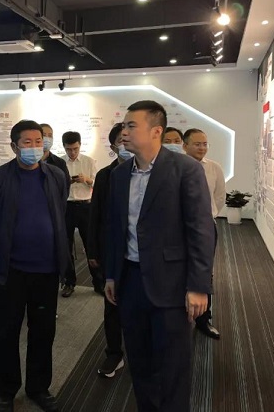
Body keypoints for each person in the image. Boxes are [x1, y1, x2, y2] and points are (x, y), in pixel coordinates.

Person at [105, 100, 215, 412]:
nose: (124, 132)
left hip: (172, 283)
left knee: (172, 365)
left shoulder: (185, 170)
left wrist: (199, 286)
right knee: (140, 361)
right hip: (130, 280)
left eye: (131, 126)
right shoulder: (120, 174)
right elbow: (115, 228)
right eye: (124, 126)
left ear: (156, 131)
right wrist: (112, 274)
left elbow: (201, 230)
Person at [0, 120, 71, 412]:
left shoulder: (56, 175)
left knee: (43, 331)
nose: (34, 147)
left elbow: (60, 210)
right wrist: (4, 243)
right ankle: (5, 390)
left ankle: (38, 387)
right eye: (27, 142)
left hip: (46, 270)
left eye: (38, 141)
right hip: (11, 271)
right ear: (14, 146)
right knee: (6, 332)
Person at [87, 123, 125, 378]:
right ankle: (114, 352)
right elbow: (96, 214)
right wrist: (93, 251)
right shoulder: (105, 175)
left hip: (144, 255)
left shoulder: (155, 172)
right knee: (112, 304)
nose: (128, 142)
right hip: (112, 251)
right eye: (122, 139)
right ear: (113, 146)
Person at [183, 128, 225, 340]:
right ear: (185, 146)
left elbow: (219, 197)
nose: (202, 148)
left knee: (204, 271)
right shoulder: (177, 167)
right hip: (179, 228)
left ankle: (203, 319)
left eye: (205, 144)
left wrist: (207, 217)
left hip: (206, 227)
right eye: (197, 144)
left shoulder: (214, 168)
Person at [61, 131, 98, 297]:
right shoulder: (60, 163)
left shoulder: (89, 161)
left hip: (85, 206)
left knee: (91, 245)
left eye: (75, 149)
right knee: (66, 246)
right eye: (69, 149)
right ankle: (69, 282)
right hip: (67, 207)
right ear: (64, 147)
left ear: (80, 145)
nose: (72, 152)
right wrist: (67, 181)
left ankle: (98, 281)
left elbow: (97, 184)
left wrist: (87, 180)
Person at [40, 123, 70, 188]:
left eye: (50, 135)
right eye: (44, 135)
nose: (47, 138)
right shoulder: (31, 161)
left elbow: (66, 186)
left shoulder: (60, 163)